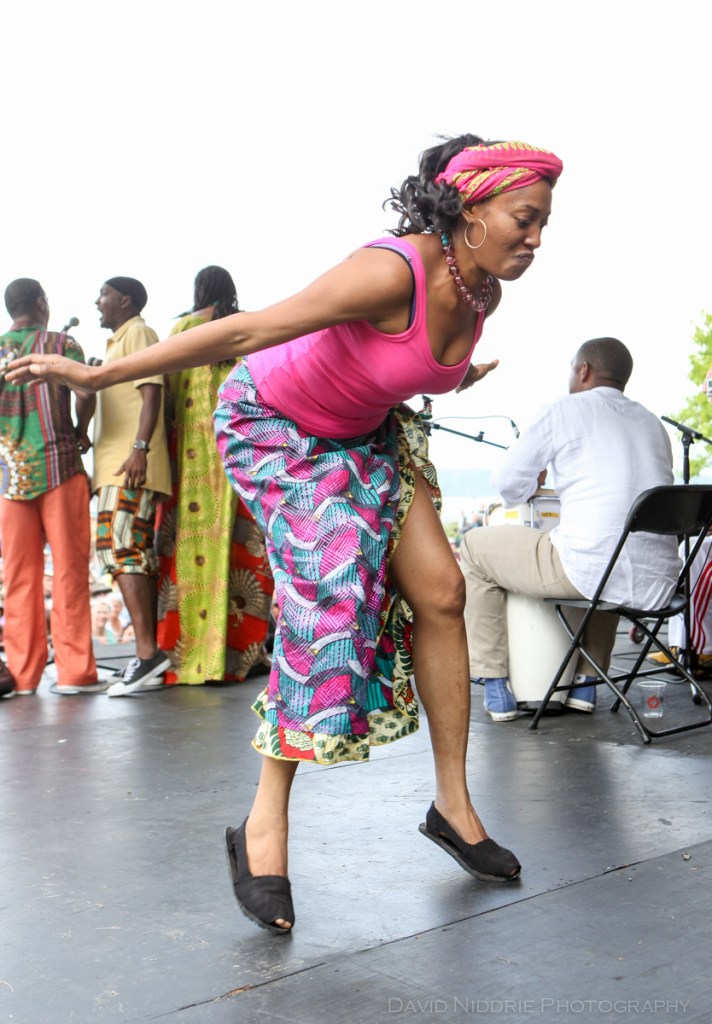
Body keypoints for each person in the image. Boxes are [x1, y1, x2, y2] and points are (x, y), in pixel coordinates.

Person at [7, 134, 563, 933]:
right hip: (274, 426)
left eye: (546, 223)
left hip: (362, 433)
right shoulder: (390, 269)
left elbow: (400, 363)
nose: (537, 238)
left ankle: (453, 806)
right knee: (329, 596)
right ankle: (263, 826)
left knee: (443, 593)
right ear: (471, 205)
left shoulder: (482, 295)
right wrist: (97, 376)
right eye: (525, 218)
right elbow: (246, 334)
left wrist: (454, 374)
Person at [459, 338, 681, 721]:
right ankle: (587, 683)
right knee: (610, 551)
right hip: (657, 583)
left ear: (583, 371)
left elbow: (507, 484)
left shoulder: (564, 410)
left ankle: (494, 680)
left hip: (587, 573)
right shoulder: (653, 424)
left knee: (475, 547)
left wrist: (532, 482)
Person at [155, 266, 273, 685]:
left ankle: (189, 659)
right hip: (240, 457)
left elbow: (165, 394)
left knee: (186, 557)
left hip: (190, 466)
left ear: (198, 289)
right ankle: (242, 657)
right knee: (243, 556)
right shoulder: (244, 329)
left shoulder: (184, 328)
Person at [0, 278, 108, 696]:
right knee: (69, 572)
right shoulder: (63, 344)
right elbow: (86, 388)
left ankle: (23, 677)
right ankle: (75, 673)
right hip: (60, 465)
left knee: (18, 578)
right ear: (42, 304)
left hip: (10, 478)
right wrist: (82, 429)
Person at [76, 277, 172, 696]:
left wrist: (139, 448)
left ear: (125, 300)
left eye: (104, 295)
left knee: (123, 547)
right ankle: (146, 654)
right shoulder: (117, 344)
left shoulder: (138, 332)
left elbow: (152, 394)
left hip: (130, 465)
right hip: (113, 467)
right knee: (119, 551)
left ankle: (149, 655)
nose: (98, 302)